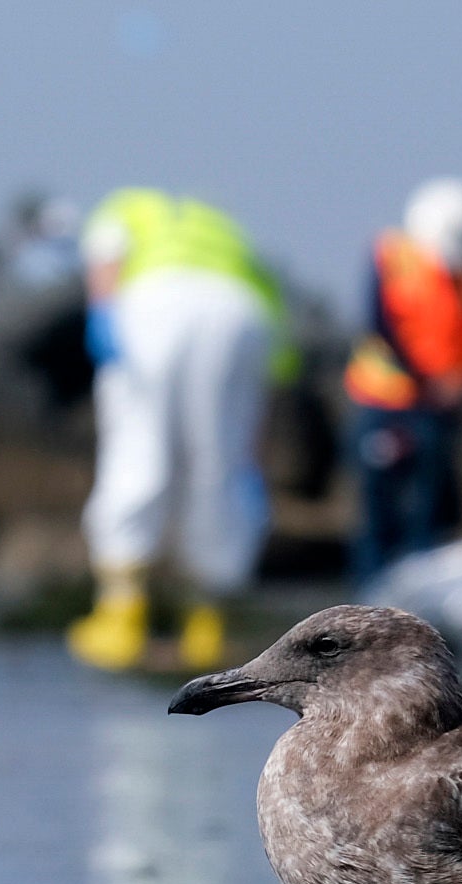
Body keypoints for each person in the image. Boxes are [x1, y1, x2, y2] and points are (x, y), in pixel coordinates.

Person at [67, 189, 294, 673]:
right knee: (219, 464)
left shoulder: (125, 208)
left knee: (138, 452)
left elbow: (106, 261)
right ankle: (206, 625)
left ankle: (120, 616)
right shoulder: (227, 231)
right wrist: (252, 448)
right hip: (241, 314)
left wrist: (102, 316)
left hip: (155, 305)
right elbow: (279, 351)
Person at [343, 177, 462, 587]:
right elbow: (381, 323)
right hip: (385, 401)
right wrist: (426, 379)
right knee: (379, 508)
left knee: (429, 511)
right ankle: (368, 602)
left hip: (439, 410)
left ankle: (420, 609)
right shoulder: (393, 257)